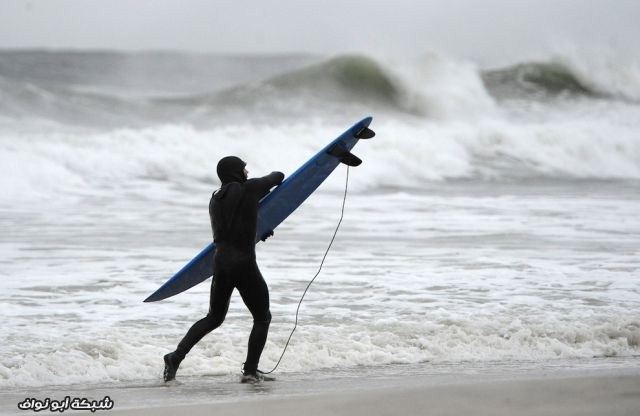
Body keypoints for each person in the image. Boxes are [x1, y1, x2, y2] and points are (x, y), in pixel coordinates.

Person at [163, 156, 284, 384]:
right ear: (236, 172)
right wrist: (261, 184)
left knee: (214, 317)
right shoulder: (249, 188)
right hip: (243, 263)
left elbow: (232, 228)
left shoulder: (215, 199)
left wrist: (259, 231)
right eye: (244, 168)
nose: (247, 172)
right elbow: (278, 177)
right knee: (262, 317)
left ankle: (175, 357)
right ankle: (250, 371)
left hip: (221, 262)